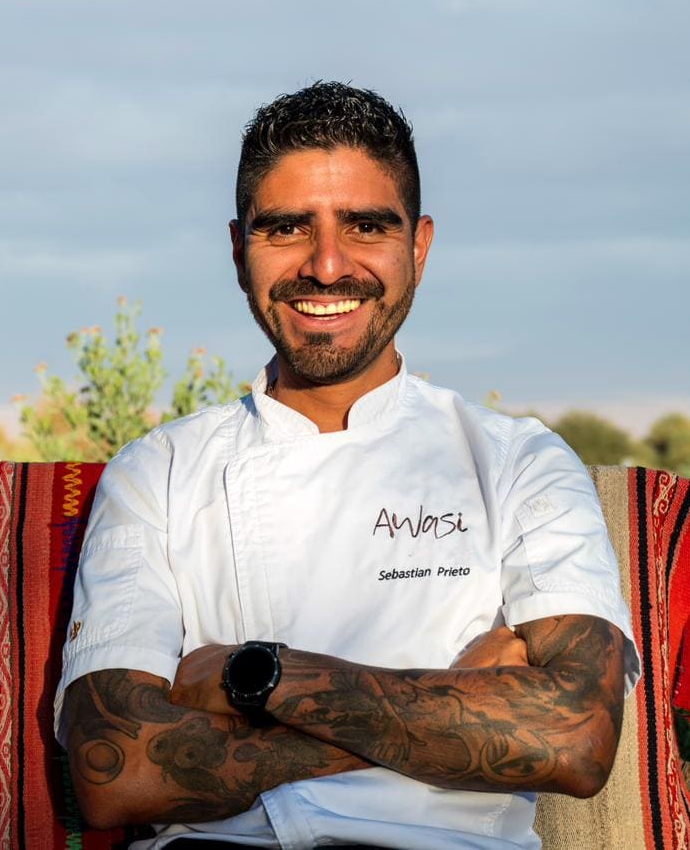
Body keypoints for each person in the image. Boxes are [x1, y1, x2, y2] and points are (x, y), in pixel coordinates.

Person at [53, 81, 640, 849]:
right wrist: (463, 700)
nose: (327, 267)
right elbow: (116, 773)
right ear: (239, 252)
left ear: (418, 247)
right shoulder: (158, 474)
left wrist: (254, 680)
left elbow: (575, 740)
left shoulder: (518, 462)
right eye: (287, 228)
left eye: (366, 226)